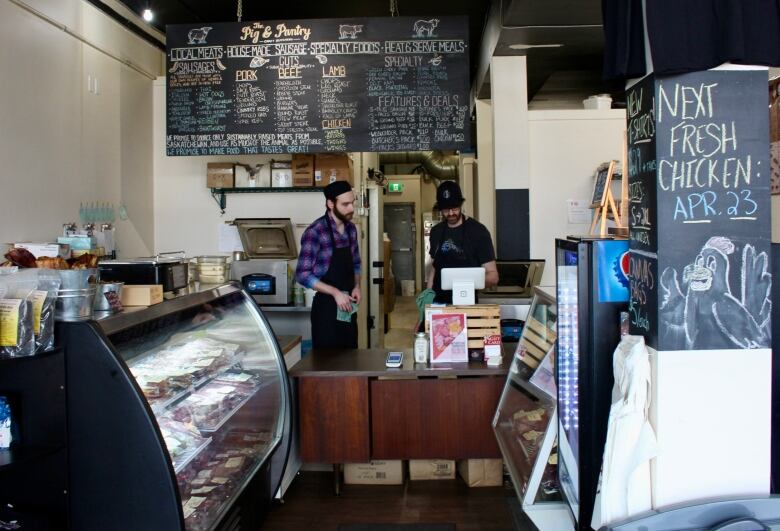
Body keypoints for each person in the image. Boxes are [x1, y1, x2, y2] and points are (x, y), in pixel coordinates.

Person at [295, 180, 361, 349]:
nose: (351, 209)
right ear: (330, 204)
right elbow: (302, 274)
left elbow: (356, 263)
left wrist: (357, 286)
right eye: (345, 204)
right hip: (326, 311)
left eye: (352, 203)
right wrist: (335, 292)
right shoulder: (315, 232)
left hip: (348, 308)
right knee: (327, 366)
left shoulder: (351, 229)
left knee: (351, 360)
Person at [426, 180, 498, 304]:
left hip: (467, 304)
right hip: (439, 304)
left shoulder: (478, 231)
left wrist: (465, 284)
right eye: (445, 210)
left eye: (454, 208)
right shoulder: (436, 232)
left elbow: (493, 276)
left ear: (460, 205)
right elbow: (434, 268)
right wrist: (428, 296)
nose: (450, 213)